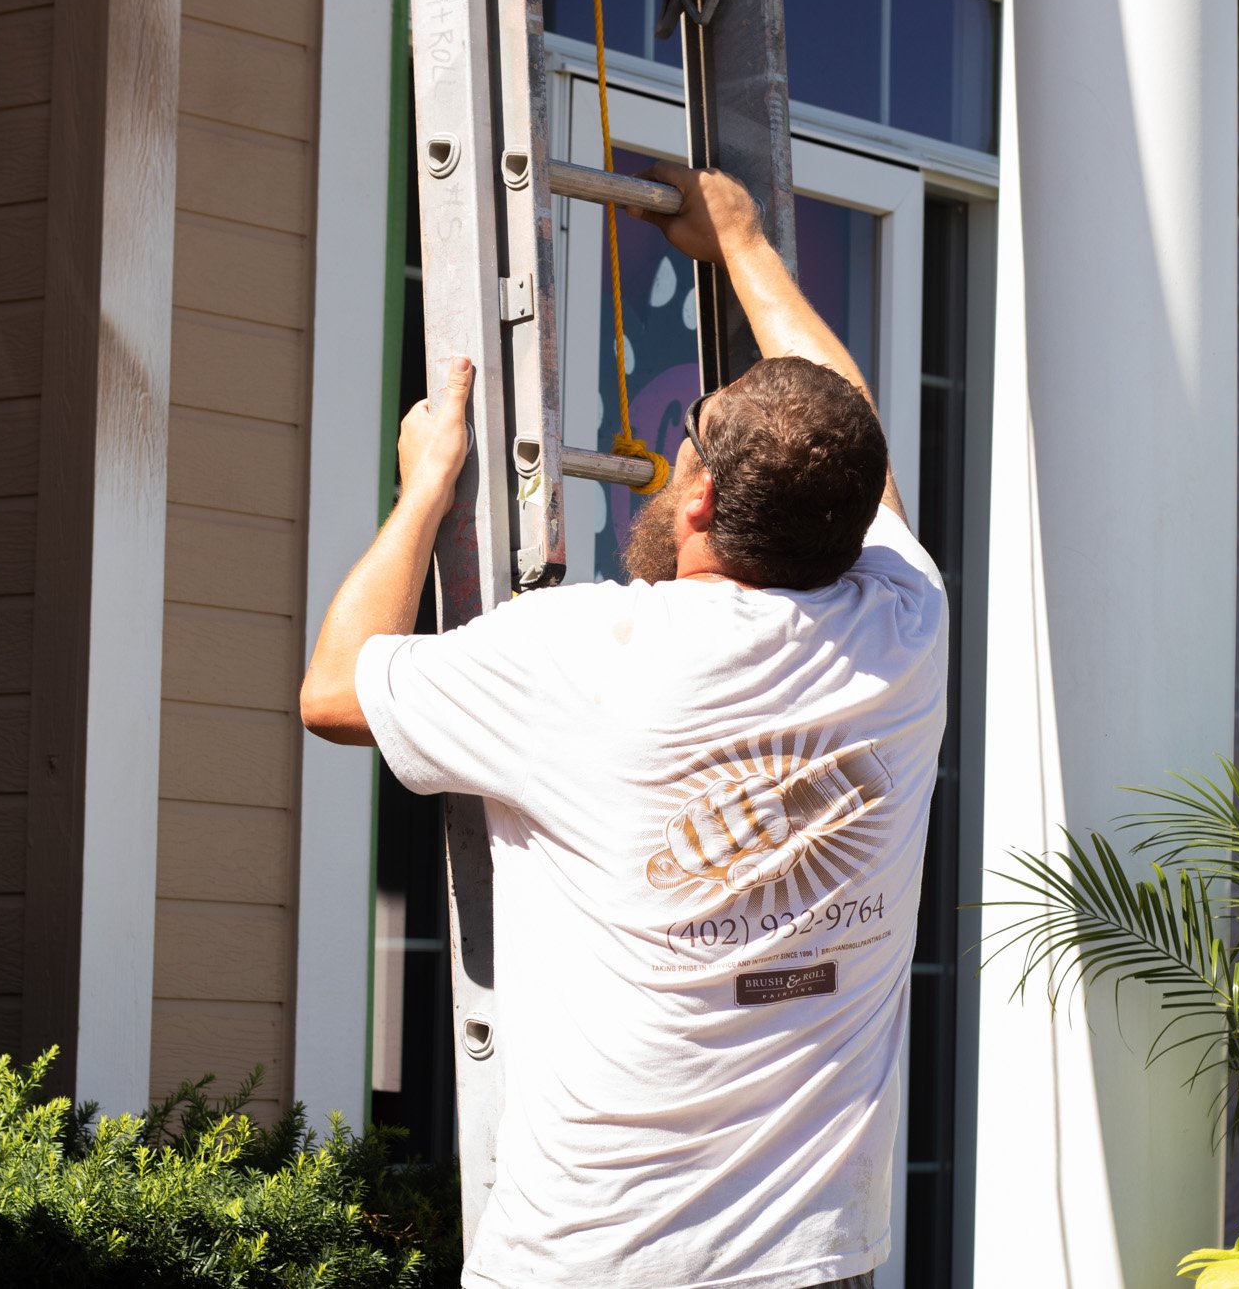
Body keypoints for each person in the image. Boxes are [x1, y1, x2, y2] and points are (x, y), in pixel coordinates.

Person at [300, 161, 948, 1289]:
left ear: (698, 499)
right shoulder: (902, 626)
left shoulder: (587, 654)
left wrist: (424, 488)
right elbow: (863, 459)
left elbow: (332, 692)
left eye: (688, 440)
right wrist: (742, 243)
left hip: (597, 1262)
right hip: (816, 1261)